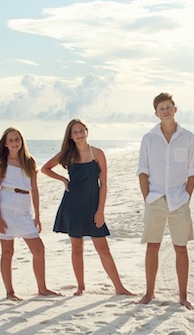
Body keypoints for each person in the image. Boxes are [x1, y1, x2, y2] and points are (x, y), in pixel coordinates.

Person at [41, 118, 134, 296]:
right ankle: (81, 287)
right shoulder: (67, 154)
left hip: (93, 205)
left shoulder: (98, 153)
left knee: (103, 247)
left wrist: (101, 210)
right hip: (73, 205)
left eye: (81, 130)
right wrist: (63, 180)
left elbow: (104, 184)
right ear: (71, 136)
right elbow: (45, 169)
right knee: (77, 247)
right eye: (75, 132)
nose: (79, 134)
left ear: (87, 131)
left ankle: (119, 287)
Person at [137, 92, 194, 310]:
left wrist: (187, 198)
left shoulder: (188, 137)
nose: (165, 110)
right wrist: (147, 198)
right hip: (155, 199)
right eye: (161, 108)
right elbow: (142, 171)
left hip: (179, 200)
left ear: (175, 109)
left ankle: (183, 296)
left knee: (181, 248)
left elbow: (193, 172)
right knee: (152, 246)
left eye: (168, 106)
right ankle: (149, 292)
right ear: (156, 113)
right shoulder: (148, 138)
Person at [0, 127, 61, 301]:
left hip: (24, 208)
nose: (14, 143)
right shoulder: (1, 163)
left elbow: (34, 189)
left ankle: (42, 288)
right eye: (11, 140)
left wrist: (38, 216)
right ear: (5, 143)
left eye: (17, 139)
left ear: (22, 141)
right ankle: (10, 292)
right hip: (5, 208)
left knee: (39, 250)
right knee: (7, 252)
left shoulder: (29, 161)